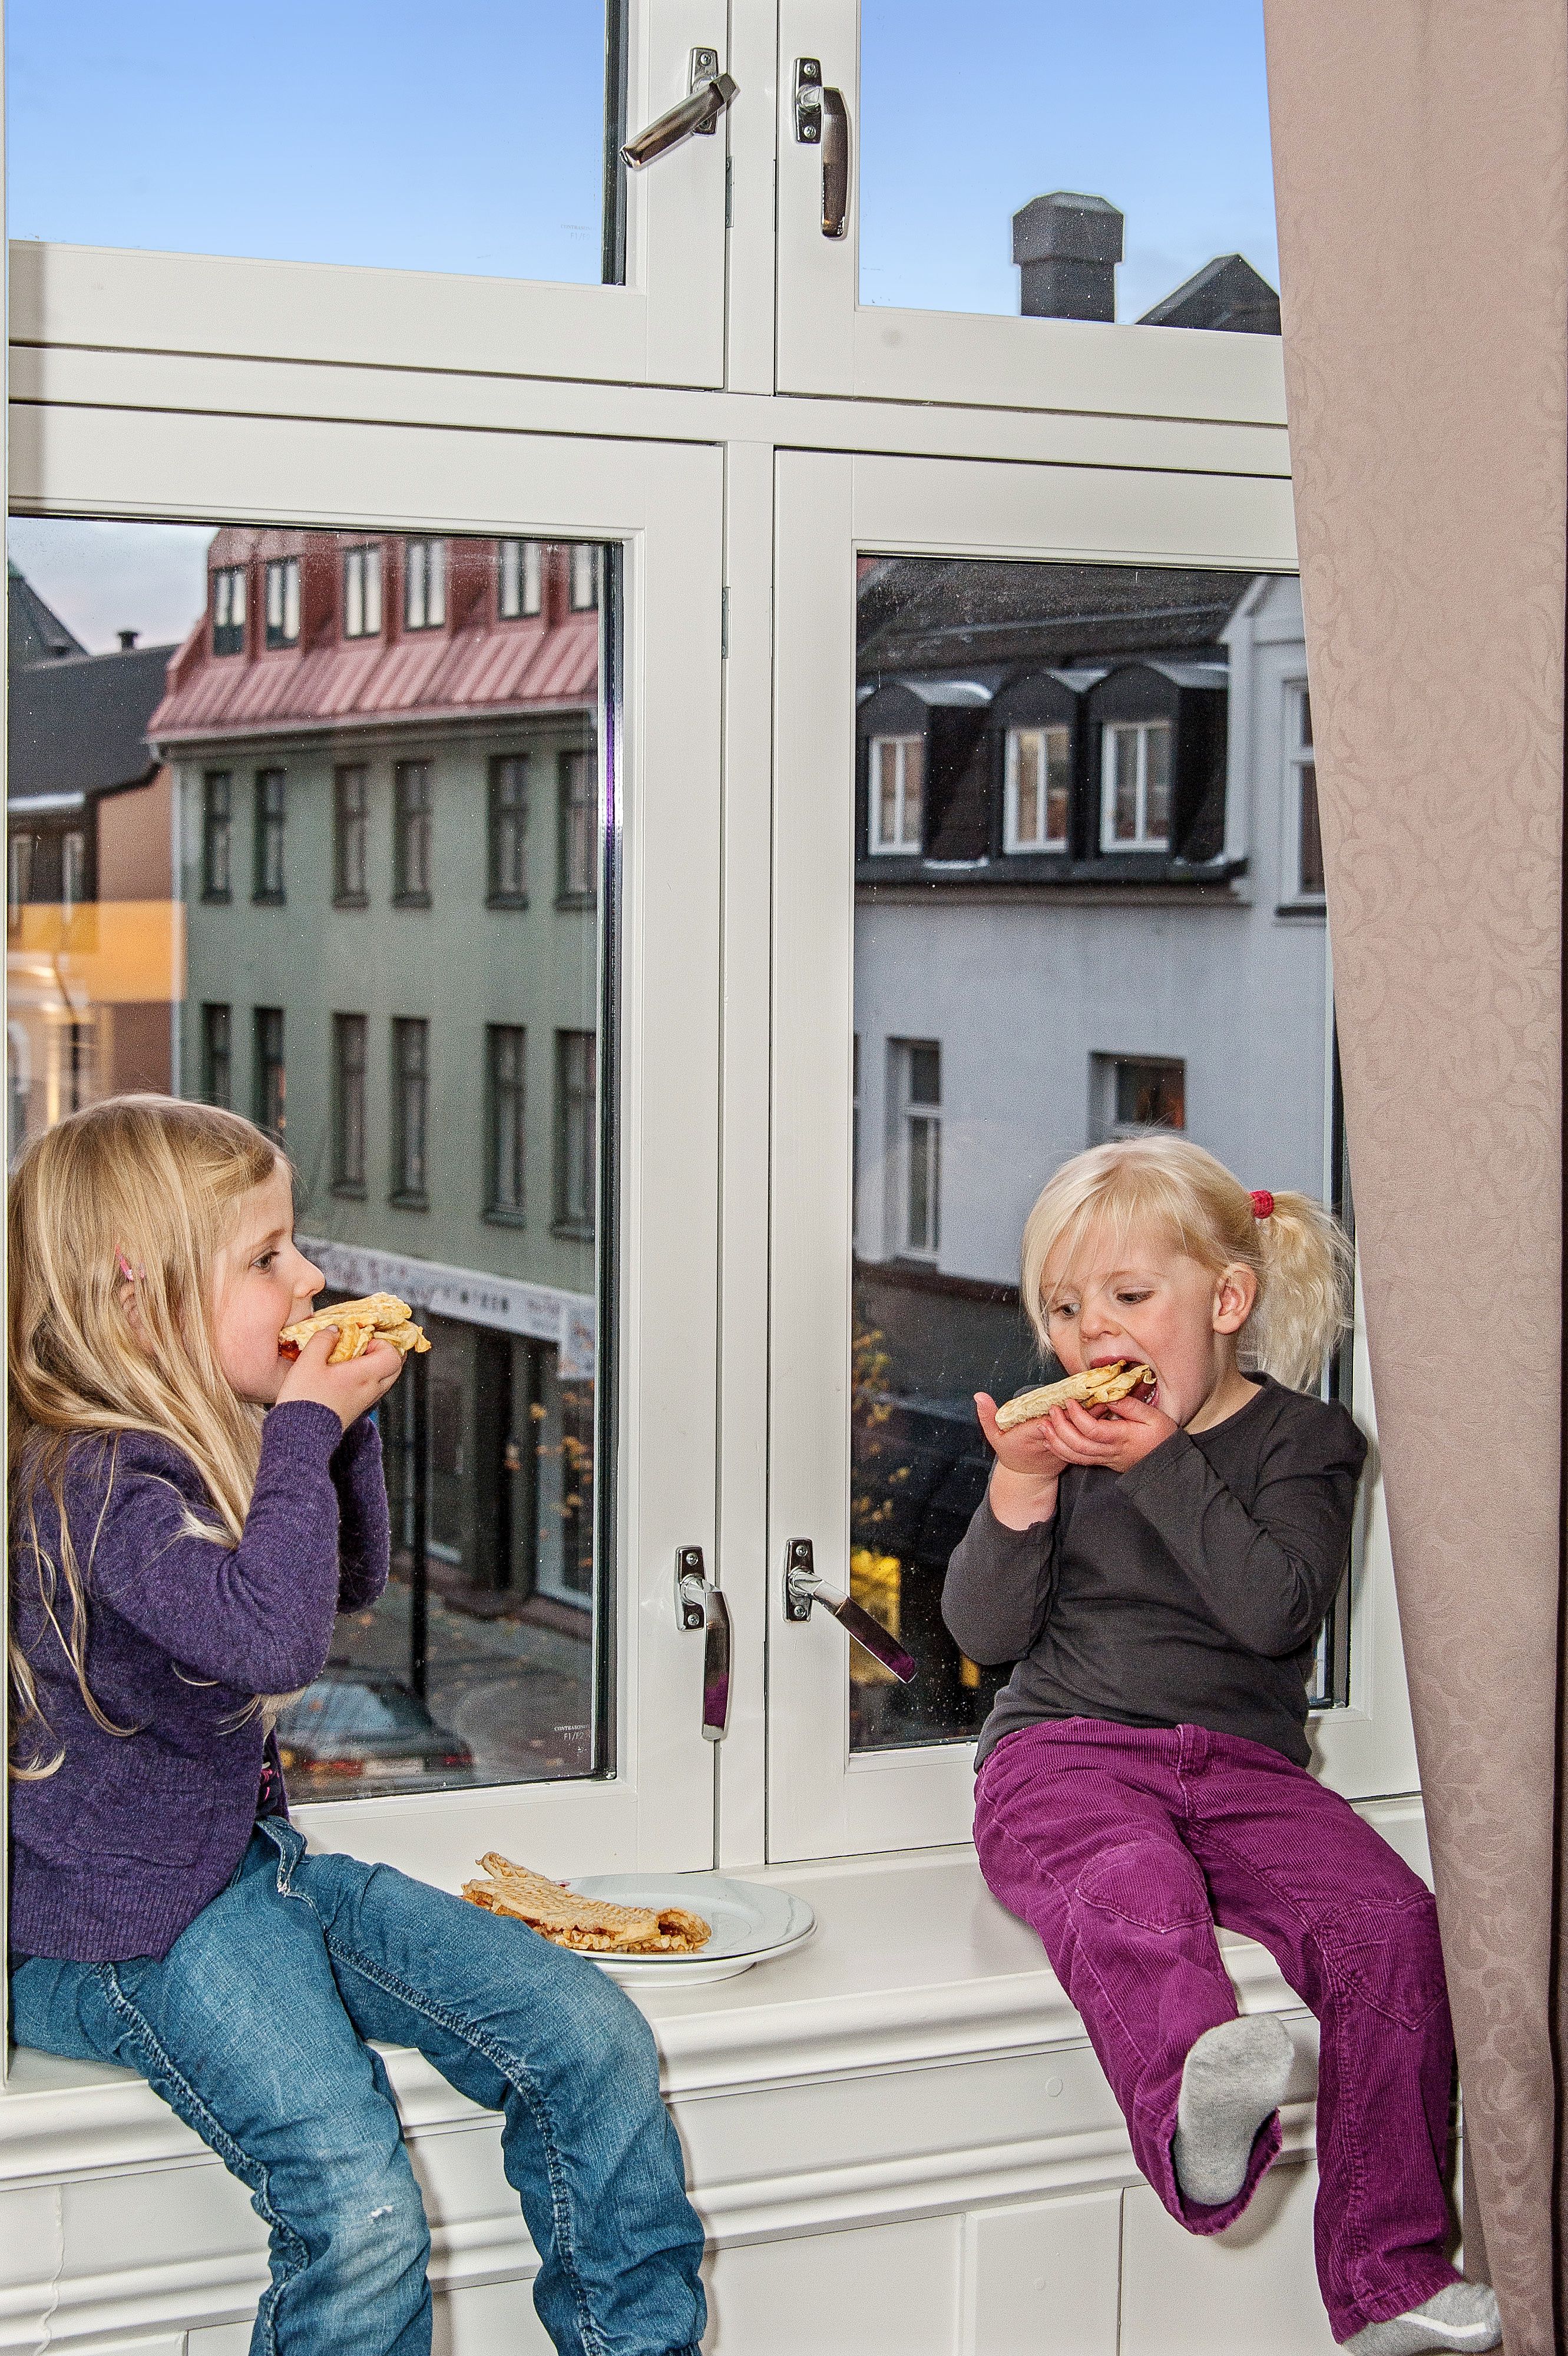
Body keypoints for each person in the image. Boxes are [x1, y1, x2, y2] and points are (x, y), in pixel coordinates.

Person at [7, 1095, 707, 2356]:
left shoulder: (190, 1444)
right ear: (135, 1294)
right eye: (266, 1256)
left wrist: (339, 1427)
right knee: (358, 2203)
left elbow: (343, 1580)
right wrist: (306, 1424)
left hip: (242, 1874)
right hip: (125, 1929)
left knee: (583, 2034)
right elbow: (271, 1643)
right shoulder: (95, 1478)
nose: (309, 1278)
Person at [943, 1136, 1498, 2356]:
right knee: (1130, 1883)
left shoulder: (1308, 1442)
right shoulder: (1065, 1450)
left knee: (1393, 1928)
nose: (1091, 1333)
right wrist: (1016, 1490)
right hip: (1064, 1755)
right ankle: (1195, 2113)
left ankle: (1388, 2271)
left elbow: (1272, 1612)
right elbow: (982, 1635)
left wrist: (1159, 1462)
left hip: (1244, 1770)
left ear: (1226, 1299)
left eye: (1128, 1296)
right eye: (1064, 1308)